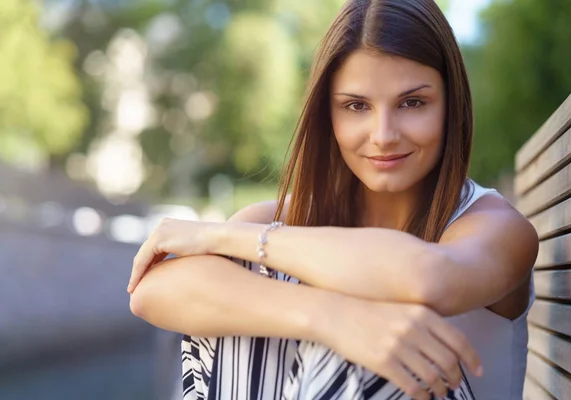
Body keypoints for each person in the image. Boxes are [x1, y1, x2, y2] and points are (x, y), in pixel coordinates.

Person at [127, 0, 539, 398]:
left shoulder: (497, 228)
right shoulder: (290, 217)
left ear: (452, 106)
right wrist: (328, 317)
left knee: (369, 333)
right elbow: (151, 293)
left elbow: (425, 278)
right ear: (329, 116)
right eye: (356, 106)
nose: (383, 134)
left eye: (413, 103)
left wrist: (220, 236)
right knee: (249, 297)